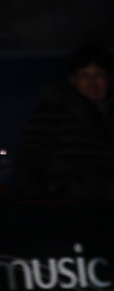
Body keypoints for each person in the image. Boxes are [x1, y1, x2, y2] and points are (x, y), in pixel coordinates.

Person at [13, 43, 114, 201]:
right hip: (66, 207)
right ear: (73, 80)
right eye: (84, 75)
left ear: (109, 78)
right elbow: (30, 160)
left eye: (98, 75)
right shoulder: (53, 113)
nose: (92, 82)